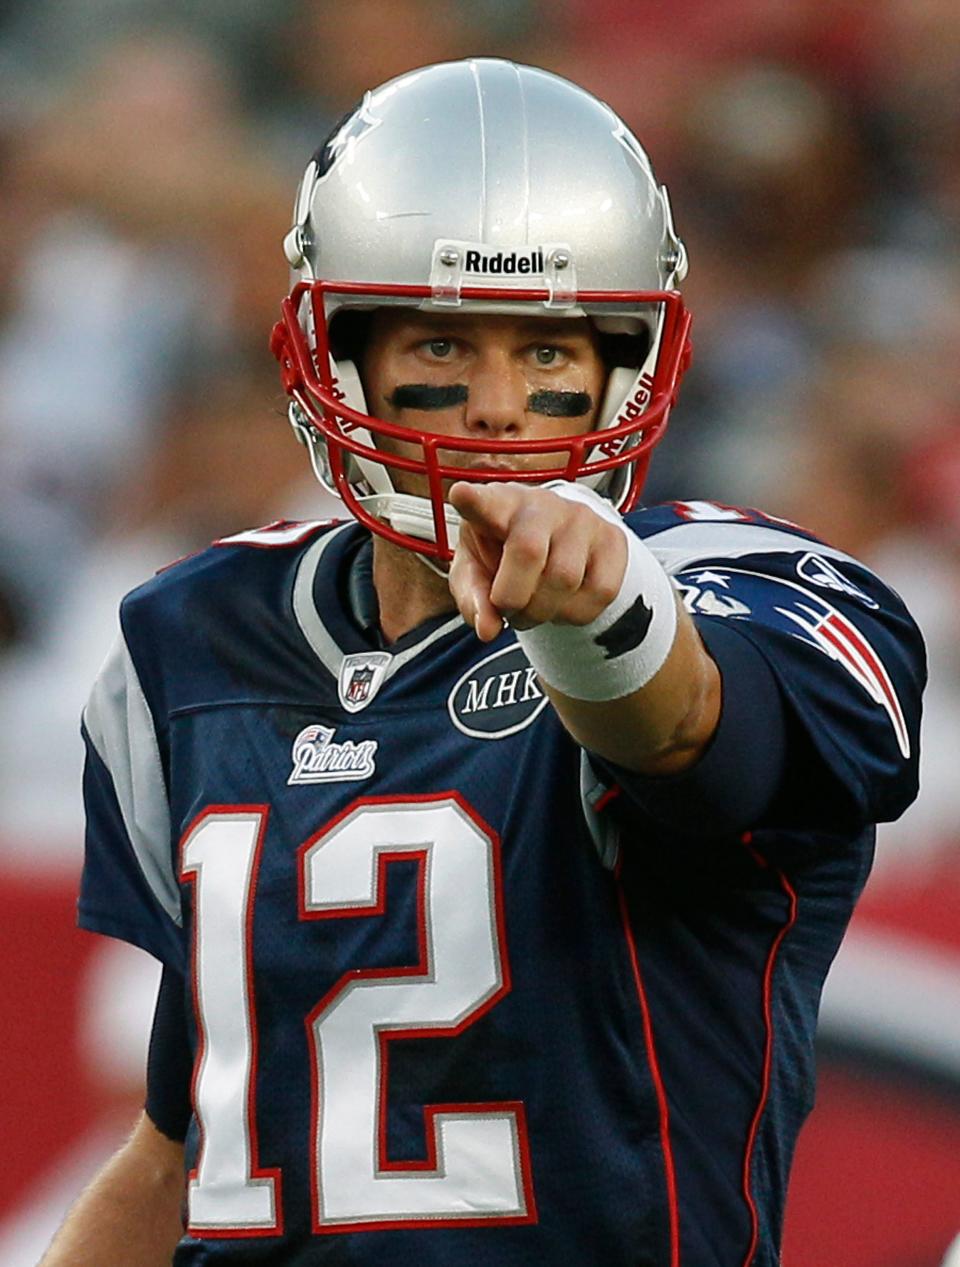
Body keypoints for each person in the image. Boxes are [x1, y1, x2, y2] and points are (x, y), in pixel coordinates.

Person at [42, 58, 925, 1267]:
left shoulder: (742, 586)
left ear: (633, 358)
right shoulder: (191, 641)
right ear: (330, 345)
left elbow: (696, 737)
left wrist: (598, 613)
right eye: (444, 343)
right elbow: (181, 1145)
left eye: (554, 352)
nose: (501, 406)